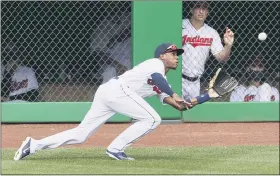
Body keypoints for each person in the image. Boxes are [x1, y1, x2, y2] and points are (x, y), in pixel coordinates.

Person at [14, 43, 220, 161]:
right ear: (162, 55)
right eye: (173, 54)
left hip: (109, 93)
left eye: (177, 54)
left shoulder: (163, 80)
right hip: (116, 90)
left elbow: (179, 105)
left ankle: (34, 144)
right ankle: (115, 149)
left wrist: (205, 97)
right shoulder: (154, 63)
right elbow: (159, 81)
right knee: (153, 119)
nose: (176, 57)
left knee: (80, 135)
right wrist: (175, 93)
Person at [182, 1, 234, 100]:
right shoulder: (180, 26)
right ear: (191, 10)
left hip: (196, 82)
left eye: (204, 8)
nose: (201, 11)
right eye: (198, 7)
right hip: (178, 78)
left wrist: (228, 45)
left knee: (192, 113)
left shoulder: (211, 32)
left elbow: (221, 58)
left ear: (207, 12)